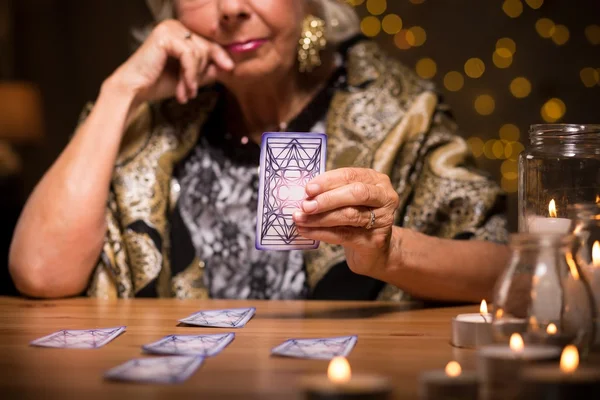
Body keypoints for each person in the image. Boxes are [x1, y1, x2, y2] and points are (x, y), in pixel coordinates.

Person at [9, 0, 510, 302]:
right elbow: (39, 273)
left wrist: (387, 248)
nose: (230, 9)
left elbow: (503, 273)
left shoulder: (404, 111)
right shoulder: (143, 117)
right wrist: (122, 91)